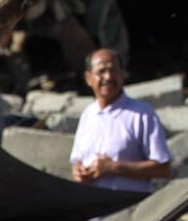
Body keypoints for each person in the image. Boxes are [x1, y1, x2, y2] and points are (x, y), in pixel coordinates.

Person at [70, 48, 171, 192]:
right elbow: (77, 159)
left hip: (131, 211)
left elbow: (163, 169)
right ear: (88, 78)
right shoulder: (88, 114)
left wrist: (114, 167)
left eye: (113, 71)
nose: (108, 77)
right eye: (101, 71)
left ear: (123, 74)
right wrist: (78, 171)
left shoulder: (141, 114)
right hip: (93, 211)